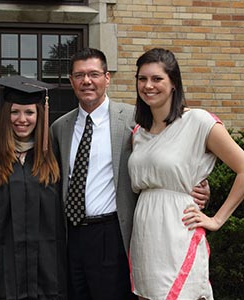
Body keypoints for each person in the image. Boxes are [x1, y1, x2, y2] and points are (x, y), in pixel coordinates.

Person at [50, 47, 210, 300]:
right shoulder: (60, 127)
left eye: (94, 74)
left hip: (111, 233)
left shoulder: (135, 119)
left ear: (107, 77)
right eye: (79, 75)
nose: (86, 81)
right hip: (71, 236)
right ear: (71, 81)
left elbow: (170, 152)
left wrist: (194, 183)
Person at [128, 47, 244, 300]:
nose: (148, 85)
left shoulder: (198, 122)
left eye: (157, 78)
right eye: (142, 79)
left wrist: (216, 219)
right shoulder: (139, 132)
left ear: (173, 84)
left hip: (178, 230)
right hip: (145, 234)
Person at [0, 75, 67, 300]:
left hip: (48, 268)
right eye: (15, 112)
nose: (22, 119)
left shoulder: (55, 157)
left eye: (29, 112)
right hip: (5, 266)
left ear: (40, 115)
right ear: (5, 115)